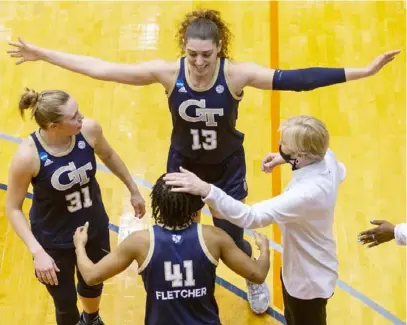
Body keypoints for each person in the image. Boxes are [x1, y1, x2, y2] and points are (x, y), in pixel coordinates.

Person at [7, 8, 399, 313]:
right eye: (192, 54)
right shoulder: (167, 72)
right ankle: (185, 282)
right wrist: (43, 54)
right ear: (184, 50)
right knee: (179, 231)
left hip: (226, 167)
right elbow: (104, 69)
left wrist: (361, 72)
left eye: (206, 54)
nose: (198, 62)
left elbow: (297, 78)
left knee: (231, 235)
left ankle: (252, 279)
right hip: (183, 164)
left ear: (219, 49)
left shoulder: (236, 74)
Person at [164, 115, 346, 325]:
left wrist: (206, 189)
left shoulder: (307, 194)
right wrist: (285, 158)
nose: (279, 145)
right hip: (306, 263)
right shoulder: (326, 157)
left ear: (302, 155)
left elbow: (251, 216)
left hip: (307, 280)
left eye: (284, 144)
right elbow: (341, 172)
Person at [5, 88, 146, 325]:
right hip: (53, 238)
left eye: (78, 111)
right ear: (53, 126)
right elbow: (13, 208)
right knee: (64, 301)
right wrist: (37, 251)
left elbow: (109, 155)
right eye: (73, 117)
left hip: (93, 225)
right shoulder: (27, 157)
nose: (81, 118)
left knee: (93, 281)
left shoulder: (89, 130)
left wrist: (133, 189)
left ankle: (91, 318)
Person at [73, 173, 271, 325]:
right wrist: (264, 250)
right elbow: (258, 274)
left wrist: (80, 246)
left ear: (158, 204)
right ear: (195, 206)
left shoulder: (140, 242)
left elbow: (91, 276)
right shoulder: (213, 237)